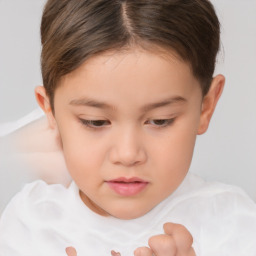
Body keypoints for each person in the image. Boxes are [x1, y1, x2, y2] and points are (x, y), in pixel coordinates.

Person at [0, 0, 256, 255]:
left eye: (160, 120)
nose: (128, 154)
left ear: (205, 107)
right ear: (51, 111)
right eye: (95, 121)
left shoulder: (232, 223)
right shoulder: (30, 223)